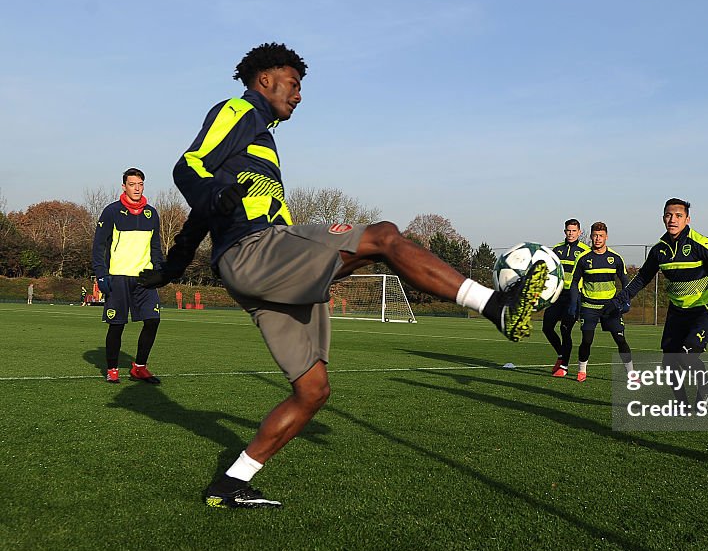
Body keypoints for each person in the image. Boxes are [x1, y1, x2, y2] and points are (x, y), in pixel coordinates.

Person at [140, 42, 546, 509]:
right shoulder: (240, 109)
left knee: (312, 392)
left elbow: (202, 214)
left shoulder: (260, 139)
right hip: (257, 251)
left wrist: (172, 266)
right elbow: (187, 165)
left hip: (253, 265)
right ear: (265, 79)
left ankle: (230, 484)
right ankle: (497, 306)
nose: (298, 96)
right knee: (384, 237)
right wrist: (213, 197)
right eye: (294, 85)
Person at [610, 198, 708, 405]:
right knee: (669, 364)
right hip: (677, 312)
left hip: (703, 311)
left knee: (686, 357)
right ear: (663, 218)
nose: (673, 219)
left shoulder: (700, 244)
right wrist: (621, 299)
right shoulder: (659, 250)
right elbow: (643, 277)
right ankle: (682, 405)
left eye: (678, 216)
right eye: (669, 215)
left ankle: (705, 386)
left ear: (687, 219)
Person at [91, 168, 164, 384]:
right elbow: (99, 246)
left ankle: (139, 367)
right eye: (132, 184)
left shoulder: (152, 214)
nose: (137, 188)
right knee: (117, 324)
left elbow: (156, 247)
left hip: (144, 279)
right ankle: (112, 369)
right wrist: (101, 274)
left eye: (140, 184)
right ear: (124, 186)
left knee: (153, 321)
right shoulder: (111, 212)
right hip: (118, 278)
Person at [566, 222, 633, 382]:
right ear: (591, 236)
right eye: (595, 235)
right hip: (589, 306)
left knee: (620, 339)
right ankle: (582, 371)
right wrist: (574, 303)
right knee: (587, 340)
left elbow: (625, 281)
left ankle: (631, 373)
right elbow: (575, 282)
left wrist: (626, 300)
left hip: (611, 307)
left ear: (606, 237)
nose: (597, 239)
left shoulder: (616, 258)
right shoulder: (583, 258)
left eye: (601, 236)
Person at [544, 219, 591, 377]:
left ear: (579, 232)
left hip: (574, 296)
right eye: (568, 231)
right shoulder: (557, 249)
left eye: (573, 231)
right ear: (564, 232)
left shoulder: (585, 250)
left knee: (565, 329)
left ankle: (564, 366)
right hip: (557, 295)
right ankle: (561, 355)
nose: (570, 233)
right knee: (547, 327)